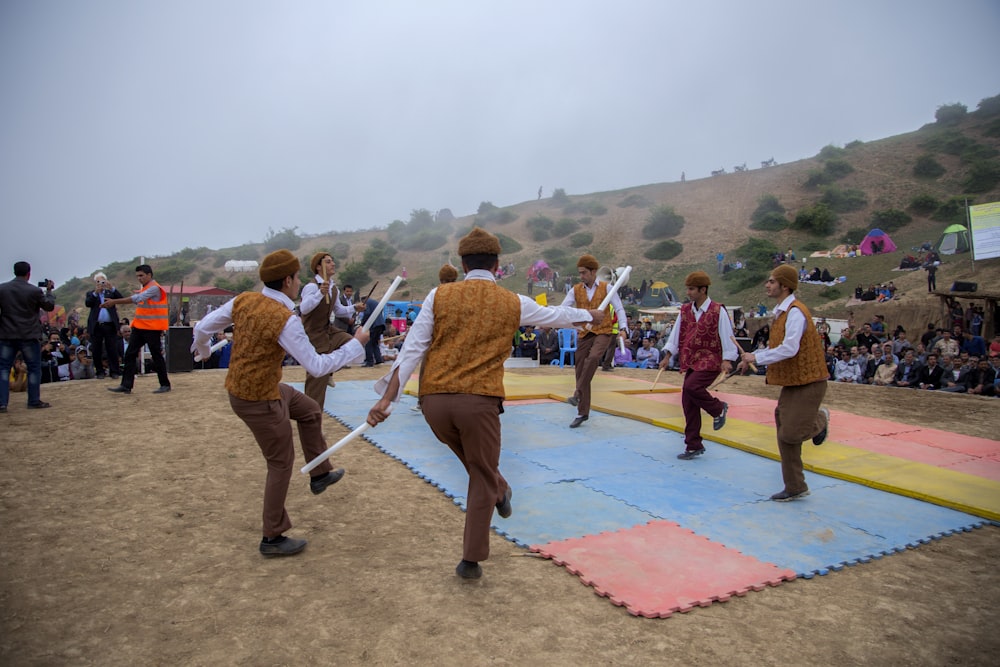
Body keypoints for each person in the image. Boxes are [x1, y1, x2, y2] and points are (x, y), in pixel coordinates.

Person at [365, 227, 602, 579]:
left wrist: (388, 399)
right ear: (497, 265)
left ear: (462, 264)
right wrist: (590, 316)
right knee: (481, 474)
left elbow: (413, 348)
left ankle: (501, 487)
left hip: (434, 405)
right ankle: (470, 559)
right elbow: (554, 316)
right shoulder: (512, 301)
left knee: (478, 465)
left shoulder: (438, 296)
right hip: (479, 404)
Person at [192, 249, 369, 557]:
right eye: (298, 278)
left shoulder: (243, 300)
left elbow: (200, 329)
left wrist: (204, 350)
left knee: (310, 410)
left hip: (254, 389)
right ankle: (272, 537)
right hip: (259, 399)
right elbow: (315, 366)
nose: (300, 282)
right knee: (280, 463)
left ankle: (319, 473)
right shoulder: (285, 319)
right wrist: (355, 345)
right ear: (288, 280)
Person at [737, 265, 830, 502]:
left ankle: (821, 420)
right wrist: (750, 359)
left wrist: (757, 357)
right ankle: (795, 486)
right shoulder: (781, 312)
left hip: (810, 381)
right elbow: (777, 347)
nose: (767, 285)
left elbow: (790, 348)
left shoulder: (796, 312)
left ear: (784, 285)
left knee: (790, 433)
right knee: (782, 430)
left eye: (771, 281)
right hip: (793, 381)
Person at [659, 271, 739, 459]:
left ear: (703, 290)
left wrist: (728, 359)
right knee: (688, 401)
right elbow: (676, 334)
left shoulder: (718, 310)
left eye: (692, 289)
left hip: (711, 359)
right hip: (691, 360)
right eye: (688, 288)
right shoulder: (685, 310)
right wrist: (667, 356)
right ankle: (693, 445)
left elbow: (727, 335)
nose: (688, 292)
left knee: (691, 386)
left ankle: (718, 408)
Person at [560, 254, 628, 428]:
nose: (581, 276)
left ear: (593, 272)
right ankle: (583, 412)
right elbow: (563, 309)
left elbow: (619, 308)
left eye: (584, 273)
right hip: (585, 332)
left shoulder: (607, 287)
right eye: (580, 273)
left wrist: (623, 328)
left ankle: (577, 393)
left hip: (603, 331)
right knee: (580, 367)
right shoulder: (575, 290)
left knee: (594, 358)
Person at [300, 253, 367, 408]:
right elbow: (304, 308)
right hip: (314, 334)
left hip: (328, 330)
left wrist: (354, 307)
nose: (333, 264)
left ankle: (329, 372)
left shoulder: (334, 288)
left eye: (333, 261)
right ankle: (311, 413)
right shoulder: (311, 287)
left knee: (352, 342)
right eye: (328, 262)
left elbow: (339, 310)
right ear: (318, 267)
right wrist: (319, 293)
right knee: (316, 379)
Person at [103, 264, 171, 395]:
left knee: (156, 356)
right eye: (137, 276)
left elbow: (137, 299)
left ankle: (165, 384)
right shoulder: (146, 288)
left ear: (149, 275)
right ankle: (126, 385)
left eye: (141, 275)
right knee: (130, 354)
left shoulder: (155, 288)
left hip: (152, 328)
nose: (139, 278)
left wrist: (114, 302)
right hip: (140, 326)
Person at [0, 261, 57, 412]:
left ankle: (2, 403)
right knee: (33, 368)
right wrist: (49, 291)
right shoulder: (35, 291)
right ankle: (33, 401)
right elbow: (49, 306)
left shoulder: (2, 289)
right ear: (29, 274)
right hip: (29, 334)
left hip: (7, 334)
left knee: (3, 368)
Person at [84, 272, 123, 379]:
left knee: (112, 348)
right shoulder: (91, 294)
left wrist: (112, 288)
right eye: (98, 282)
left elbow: (121, 298)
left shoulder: (110, 293)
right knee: (96, 349)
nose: (100, 284)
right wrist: (96, 293)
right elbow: (88, 303)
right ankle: (100, 372)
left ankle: (114, 371)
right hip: (97, 325)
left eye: (102, 281)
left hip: (110, 325)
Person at [361, 295, 386, 367]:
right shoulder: (375, 302)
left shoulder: (367, 302)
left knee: (368, 344)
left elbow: (367, 313)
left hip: (374, 325)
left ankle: (369, 361)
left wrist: (363, 323)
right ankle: (378, 360)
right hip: (380, 324)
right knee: (374, 343)